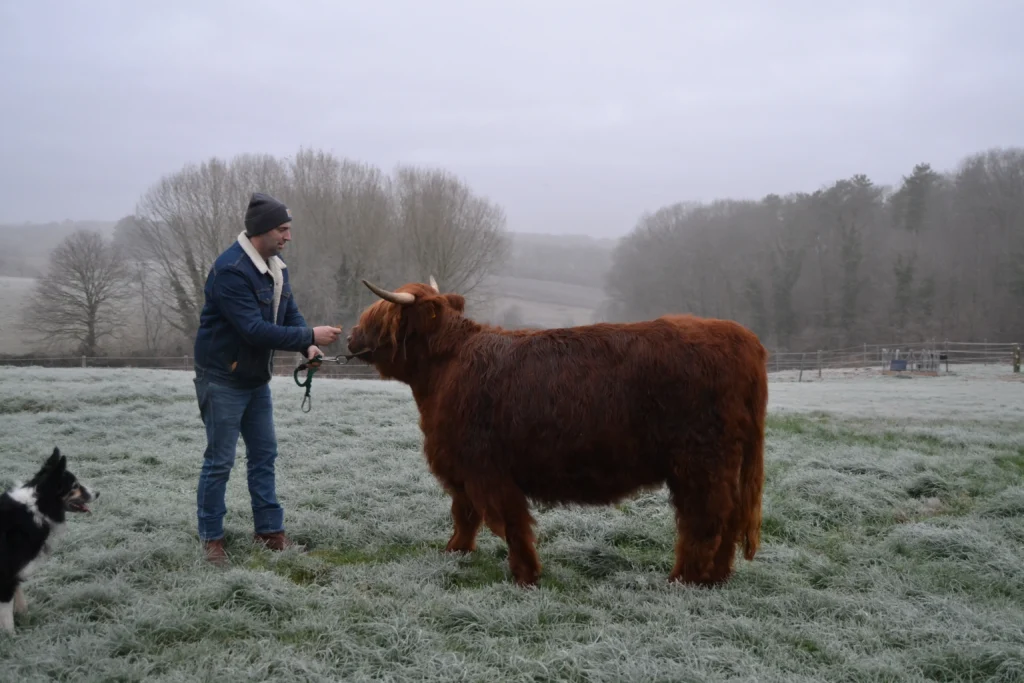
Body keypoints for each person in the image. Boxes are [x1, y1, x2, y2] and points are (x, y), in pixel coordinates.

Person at [191, 192, 342, 565]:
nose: (288, 237)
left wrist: (306, 347)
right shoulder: (230, 271)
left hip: (255, 380)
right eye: (282, 229)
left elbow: (288, 313)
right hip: (222, 379)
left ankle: (269, 532)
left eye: (288, 230)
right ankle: (212, 539)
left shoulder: (277, 266)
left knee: (264, 456)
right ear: (261, 230)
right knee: (219, 462)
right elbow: (254, 330)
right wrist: (309, 336)